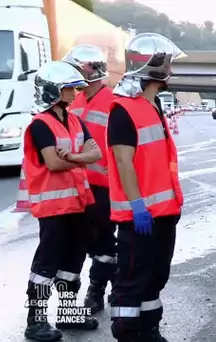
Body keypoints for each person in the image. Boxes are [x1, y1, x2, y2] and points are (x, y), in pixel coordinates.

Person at [106, 33, 185, 342]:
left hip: (163, 212)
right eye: (168, 64)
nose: (171, 70)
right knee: (131, 281)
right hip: (139, 215)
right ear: (155, 69)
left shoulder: (152, 107)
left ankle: (149, 329)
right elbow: (124, 162)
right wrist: (138, 205)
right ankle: (127, 334)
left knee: (154, 278)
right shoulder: (124, 109)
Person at [23, 61, 102, 341]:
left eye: (75, 86)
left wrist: (76, 157)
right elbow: (54, 163)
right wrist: (81, 158)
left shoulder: (74, 120)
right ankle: (35, 321)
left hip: (79, 203)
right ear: (51, 91)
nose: (75, 92)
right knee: (46, 264)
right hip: (54, 207)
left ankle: (68, 314)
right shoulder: (39, 125)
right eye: (69, 87)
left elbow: (96, 154)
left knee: (72, 261)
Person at [63, 44, 118, 314]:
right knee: (82, 242)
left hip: (104, 187)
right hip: (77, 185)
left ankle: (97, 291)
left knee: (103, 242)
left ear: (91, 71)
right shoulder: (75, 100)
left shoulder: (113, 101)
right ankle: (114, 280)